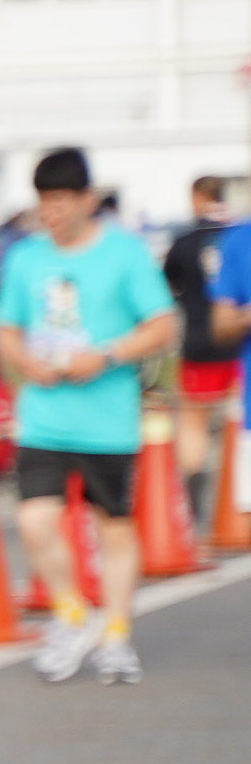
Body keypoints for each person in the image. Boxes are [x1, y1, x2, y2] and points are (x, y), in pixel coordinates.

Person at [0, 148, 177, 686]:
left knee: (113, 528)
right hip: (43, 416)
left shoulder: (124, 254)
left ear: (87, 200)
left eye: (59, 201)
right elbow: (6, 328)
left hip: (107, 419)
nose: (49, 213)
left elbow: (162, 325)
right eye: (42, 202)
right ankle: (72, 614)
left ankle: (116, 636)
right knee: (34, 521)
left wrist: (105, 356)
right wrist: (24, 361)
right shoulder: (25, 257)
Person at [162, 176, 238, 525]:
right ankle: (236, 500)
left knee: (193, 423)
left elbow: (166, 287)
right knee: (239, 421)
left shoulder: (185, 242)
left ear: (197, 198)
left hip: (198, 344)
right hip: (240, 346)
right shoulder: (239, 237)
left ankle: (194, 502)